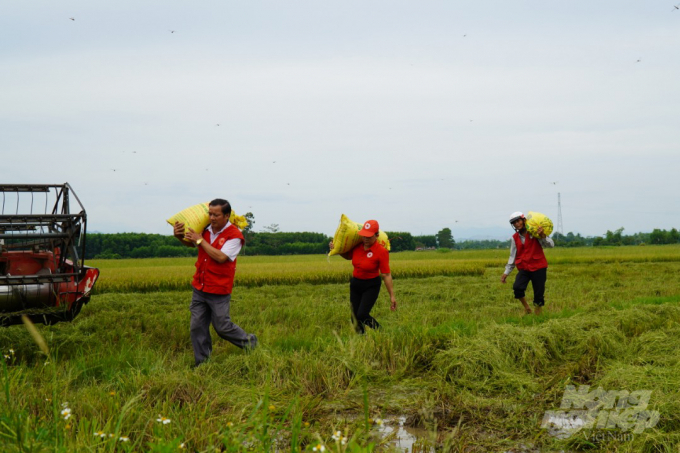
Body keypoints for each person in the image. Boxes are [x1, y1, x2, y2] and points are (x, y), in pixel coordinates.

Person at [173, 199, 257, 367]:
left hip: (219, 290)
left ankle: (250, 342)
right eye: (210, 214)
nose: (212, 218)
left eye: (216, 215)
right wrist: (179, 236)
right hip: (200, 286)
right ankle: (202, 364)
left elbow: (220, 257)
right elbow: (191, 244)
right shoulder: (204, 230)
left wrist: (200, 241)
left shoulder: (235, 236)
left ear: (226, 216)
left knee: (222, 327)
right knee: (197, 327)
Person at [330, 220, 397, 333]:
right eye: (364, 236)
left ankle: (381, 332)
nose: (365, 239)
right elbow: (348, 256)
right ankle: (362, 340)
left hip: (371, 285)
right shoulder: (357, 247)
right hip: (356, 284)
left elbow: (386, 274)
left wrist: (392, 296)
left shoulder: (381, 251)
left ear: (376, 235)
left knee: (362, 314)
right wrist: (336, 249)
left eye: (369, 236)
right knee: (354, 318)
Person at [500, 211, 554, 315]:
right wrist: (506, 273)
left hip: (539, 267)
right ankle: (527, 308)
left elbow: (550, 245)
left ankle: (538, 314)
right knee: (517, 288)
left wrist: (543, 236)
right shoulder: (514, 238)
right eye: (514, 223)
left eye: (518, 221)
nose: (516, 224)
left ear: (524, 220)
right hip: (524, 268)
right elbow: (512, 256)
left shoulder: (535, 233)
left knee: (539, 293)